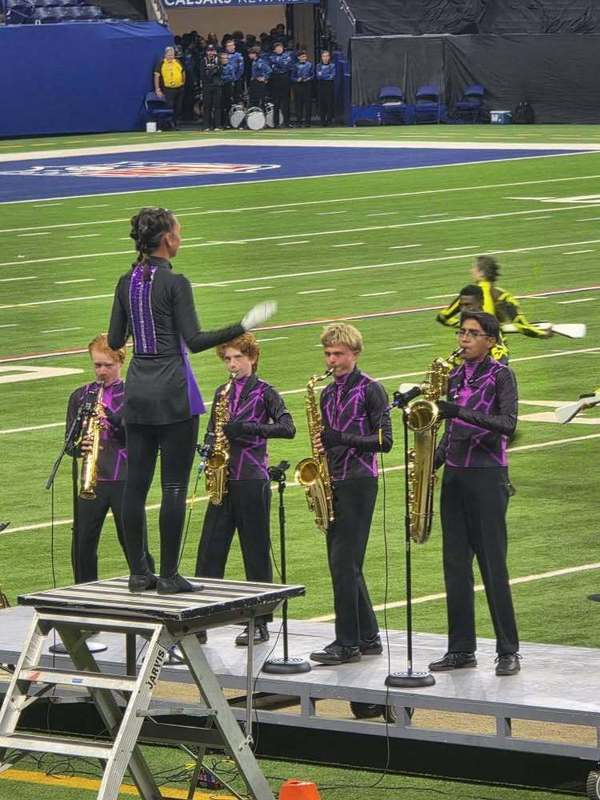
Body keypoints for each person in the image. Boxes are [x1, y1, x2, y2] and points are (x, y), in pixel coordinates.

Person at [107, 207, 276, 594]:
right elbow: (196, 341)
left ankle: (138, 573)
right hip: (173, 392)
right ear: (167, 239)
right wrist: (243, 326)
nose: (181, 238)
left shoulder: (125, 281)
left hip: (137, 390)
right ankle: (168, 575)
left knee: (135, 485)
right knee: (173, 488)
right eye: (179, 233)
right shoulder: (175, 283)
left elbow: (116, 341)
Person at [430, 311, 521, 677]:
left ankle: (508, 650)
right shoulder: (452, 377)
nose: (463, 339)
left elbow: (507, 424)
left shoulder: (502, 376)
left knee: (492, 565)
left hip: (487, 477)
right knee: (454, 566)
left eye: (472, 333)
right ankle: (460, 649)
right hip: (454, 477)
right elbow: (450, 431)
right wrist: (428, 464)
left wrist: (461, 412)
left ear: (490, 340)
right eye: (461, 332)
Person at [195, 333, 295, 645]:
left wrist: (249, 428)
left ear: (251, 358)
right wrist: (208, 446)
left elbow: (287, 427)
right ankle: (200, 620)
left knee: (255, 552)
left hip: (252, 477)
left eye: (238, 357)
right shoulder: (221, 392)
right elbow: (213, 430)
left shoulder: (266, 392)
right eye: (227, 359)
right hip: (223, 479)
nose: (232, 364)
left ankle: (260, 622)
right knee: (210, 551)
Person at [309, 323, 393, 666]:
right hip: (333, 481)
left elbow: (384, 441)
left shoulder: (371, 389)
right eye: (328, 353)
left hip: (360, 480)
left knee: (343, 564)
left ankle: (347, 643)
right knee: (346, 564)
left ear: (355, 354)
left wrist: (339, 438)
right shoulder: (327, 393)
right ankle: (368, 636)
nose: (332, 360)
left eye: (338, 354)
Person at [65, 334, 155, 583]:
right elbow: (69, 444)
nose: (101, 371)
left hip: (124, 477)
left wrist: (113, 421)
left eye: (108, 365)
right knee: (82, 542)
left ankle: (146, 583)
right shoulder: (81, 396)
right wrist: (77, 445)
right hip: (91, 480)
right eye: (97, 365)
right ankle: (84, 591)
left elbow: (142, 439)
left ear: (120, 362)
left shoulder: (133, 394)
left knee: (133, 541)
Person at [473, 255, 552, 339]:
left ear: (481, 273)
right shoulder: (502, 295)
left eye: (474, 268)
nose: (471, 271)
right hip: (496, 348)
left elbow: (457, 320)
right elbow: (521, 326)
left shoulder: (468, 295)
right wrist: (542, 334)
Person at [437, 284, 509, 363]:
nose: (464, 309)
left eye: (468, 305)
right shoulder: (467, 324)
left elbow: (502, 356)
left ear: (481, 302)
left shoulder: (489, 324)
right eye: (461, 305)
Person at [153, 46, 186, 129]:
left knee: (179, 107)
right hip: (169, 89)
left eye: (172, 55)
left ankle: (176, 123)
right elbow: (157, 76)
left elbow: (183, 72)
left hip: (179, 88)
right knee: (170, 106)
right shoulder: (161, 63)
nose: (171, 57)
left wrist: (183, 82)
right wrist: (158, 89)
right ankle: (169, 125)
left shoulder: (177, 62)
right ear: (165, 55)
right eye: (169, 55)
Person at [269, 41, 293, 128]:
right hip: (276, 80)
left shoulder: (287, 56)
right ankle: (276, 123)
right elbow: (273, 68)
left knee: (286, 102)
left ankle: (287, 122)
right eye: (277, 48)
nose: (279, 49)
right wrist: (280, 65)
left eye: (280, 47)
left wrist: (278, 64)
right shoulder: (271, 57)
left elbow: (287, 66)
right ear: (274, 50)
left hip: (285, 79)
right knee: (276, 103)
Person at [201, 44, 223, 131]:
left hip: (217, 86)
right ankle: (206, 125)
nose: (211, 53)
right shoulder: (203, 61)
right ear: (207, 52)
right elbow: (202, 74)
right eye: (209, 51)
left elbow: (220, 72)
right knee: (207, 106)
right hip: (207, 85)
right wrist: (211, 72)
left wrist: (214, 70)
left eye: (213, 51)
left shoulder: (218, 60)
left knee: (217, 106)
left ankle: (217, 125)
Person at [291, 50, 314, 127]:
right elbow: (292, 77)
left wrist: (308, 79)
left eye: (304, 56)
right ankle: (299, 121)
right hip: (298, 86)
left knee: (308, 105)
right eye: (302, 56)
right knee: (298, 104)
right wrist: (297, 79)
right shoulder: (295, 65)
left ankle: (308, 122)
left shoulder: (310, 64)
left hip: (307, 85)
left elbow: (313, 75)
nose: (303, 58)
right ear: (298, 57)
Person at [316, 50, 336, 127]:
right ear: (321, 57)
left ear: (329, 57)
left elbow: (332, 76)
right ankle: (322, 121)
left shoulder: (332, 65)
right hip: (321, 86)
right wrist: (326, 75)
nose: (325, 58)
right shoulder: (318, 66)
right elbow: (318, 76)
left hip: (329, 85)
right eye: (324, 56)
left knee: (329, 103)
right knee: (322, 104)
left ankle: (329, 121)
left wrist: (324, 75)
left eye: (327, 56)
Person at [248, 46, 272, 111]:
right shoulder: (254, 62)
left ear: (255, 54)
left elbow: (269, 70)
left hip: (259, 84)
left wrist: (264, 78)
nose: (249, 55)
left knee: (260, 100)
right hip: (254, 83)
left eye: (250, 53)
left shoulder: (261, 62)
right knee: (254, 100)